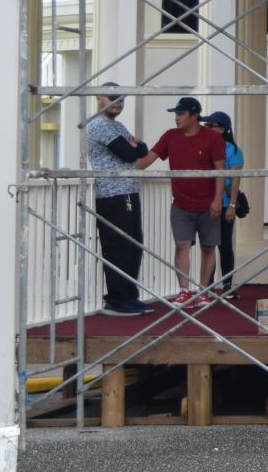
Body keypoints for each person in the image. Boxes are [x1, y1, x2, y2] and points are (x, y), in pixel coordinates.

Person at [135, 96, 227, 308]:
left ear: (194, 116)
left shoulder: (212, 138)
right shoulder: (170, 136)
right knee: (181, 245)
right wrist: (124, 157)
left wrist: (218, 200)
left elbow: (220, 170)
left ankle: (203, 290)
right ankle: (184, 291)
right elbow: (146, 161)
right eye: (176, 114)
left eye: (180, 114)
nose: (176, 118)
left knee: (208, 247)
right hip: (180, 204)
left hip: (208, 204)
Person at [86, 84, 152, 317]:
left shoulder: (118, 126)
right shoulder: (98, 125)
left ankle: (129, 295)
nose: (118, 103)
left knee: (133, 245)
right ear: (99, 98)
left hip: (128, 191)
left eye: (122, 99)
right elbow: (128, 153)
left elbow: (142, 150)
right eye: (113, 98)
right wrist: (133, 146)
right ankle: (116, 299)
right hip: (111, 194)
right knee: (118, 246)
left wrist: (135, 146)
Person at [201, 110, 246, 297]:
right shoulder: (205, 146)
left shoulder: (233, 150)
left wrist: (232, 205)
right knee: (208, 245)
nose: (206, 128)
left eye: (210, 125)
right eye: (206, 125)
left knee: (225, 245)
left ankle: (228, 285)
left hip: (226, 203)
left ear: (222, 129)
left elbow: (235, 180)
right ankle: (209, 285)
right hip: (206, 202)